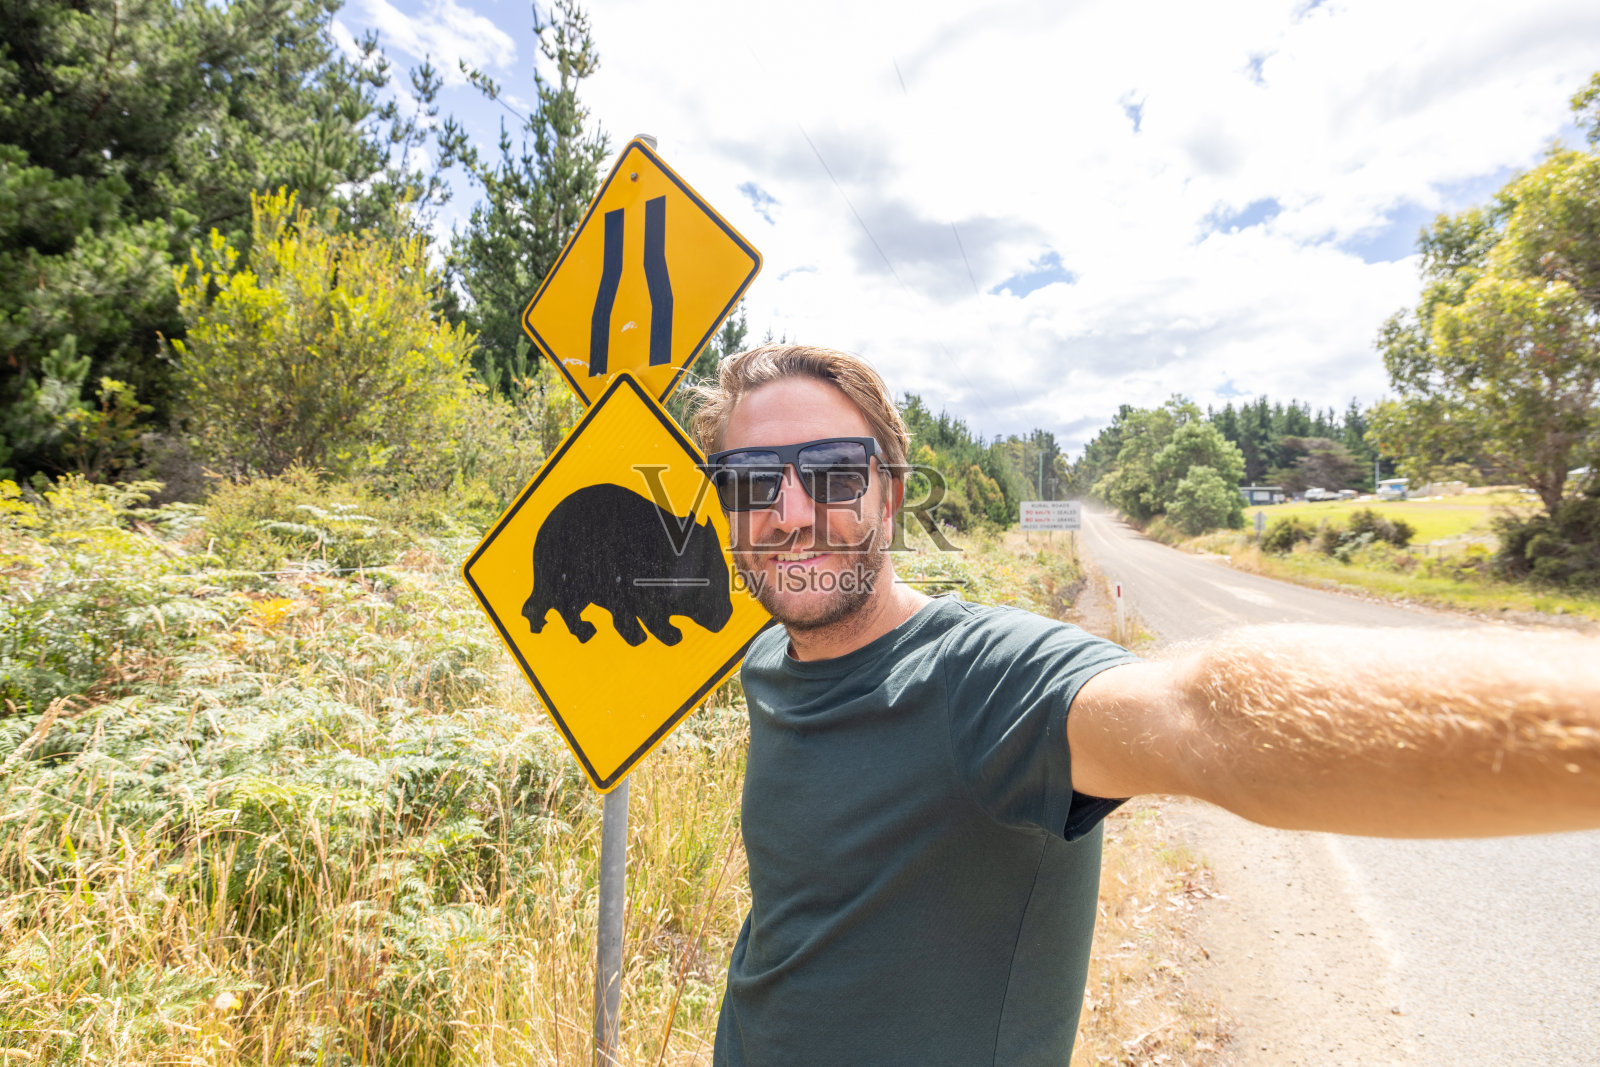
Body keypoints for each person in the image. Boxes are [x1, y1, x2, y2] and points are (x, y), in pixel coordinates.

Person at [686, 342, 1600, 1067]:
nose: (789, 512)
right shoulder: (771, 661)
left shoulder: (980, 682)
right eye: (752, 480)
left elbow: (1208, 719)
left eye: (834, 472)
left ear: (890, 496)